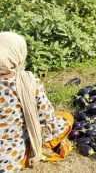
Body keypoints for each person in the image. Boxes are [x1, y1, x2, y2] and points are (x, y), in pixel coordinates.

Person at [0, 32, 73, 173]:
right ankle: (34, 147)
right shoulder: (29, 82)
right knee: (66, 117)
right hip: (9, 156)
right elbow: (47, 118)